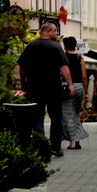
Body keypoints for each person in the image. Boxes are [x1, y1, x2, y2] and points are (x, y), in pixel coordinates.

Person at [18, 22, 73, 157]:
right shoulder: (55, 47)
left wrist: (22, 82)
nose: (56, 34)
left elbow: (22, 67)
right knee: (56, 118)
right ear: (48, 31)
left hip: (34, 87)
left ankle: (40, 146)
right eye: (55, 31)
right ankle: (55, 147)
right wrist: (70, 84)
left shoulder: (31, 46)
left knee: (37, 117)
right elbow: (64, 68)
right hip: (53, 88)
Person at [61, 37, 89, 150]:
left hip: (67, 87)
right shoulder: (80, 58)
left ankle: (72, 142)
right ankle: (77, 140)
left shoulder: (62, 58)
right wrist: (86, 92)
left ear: (66, 46)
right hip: (79, 87)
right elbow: (84, 77)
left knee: (68, 115)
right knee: (76, 114)